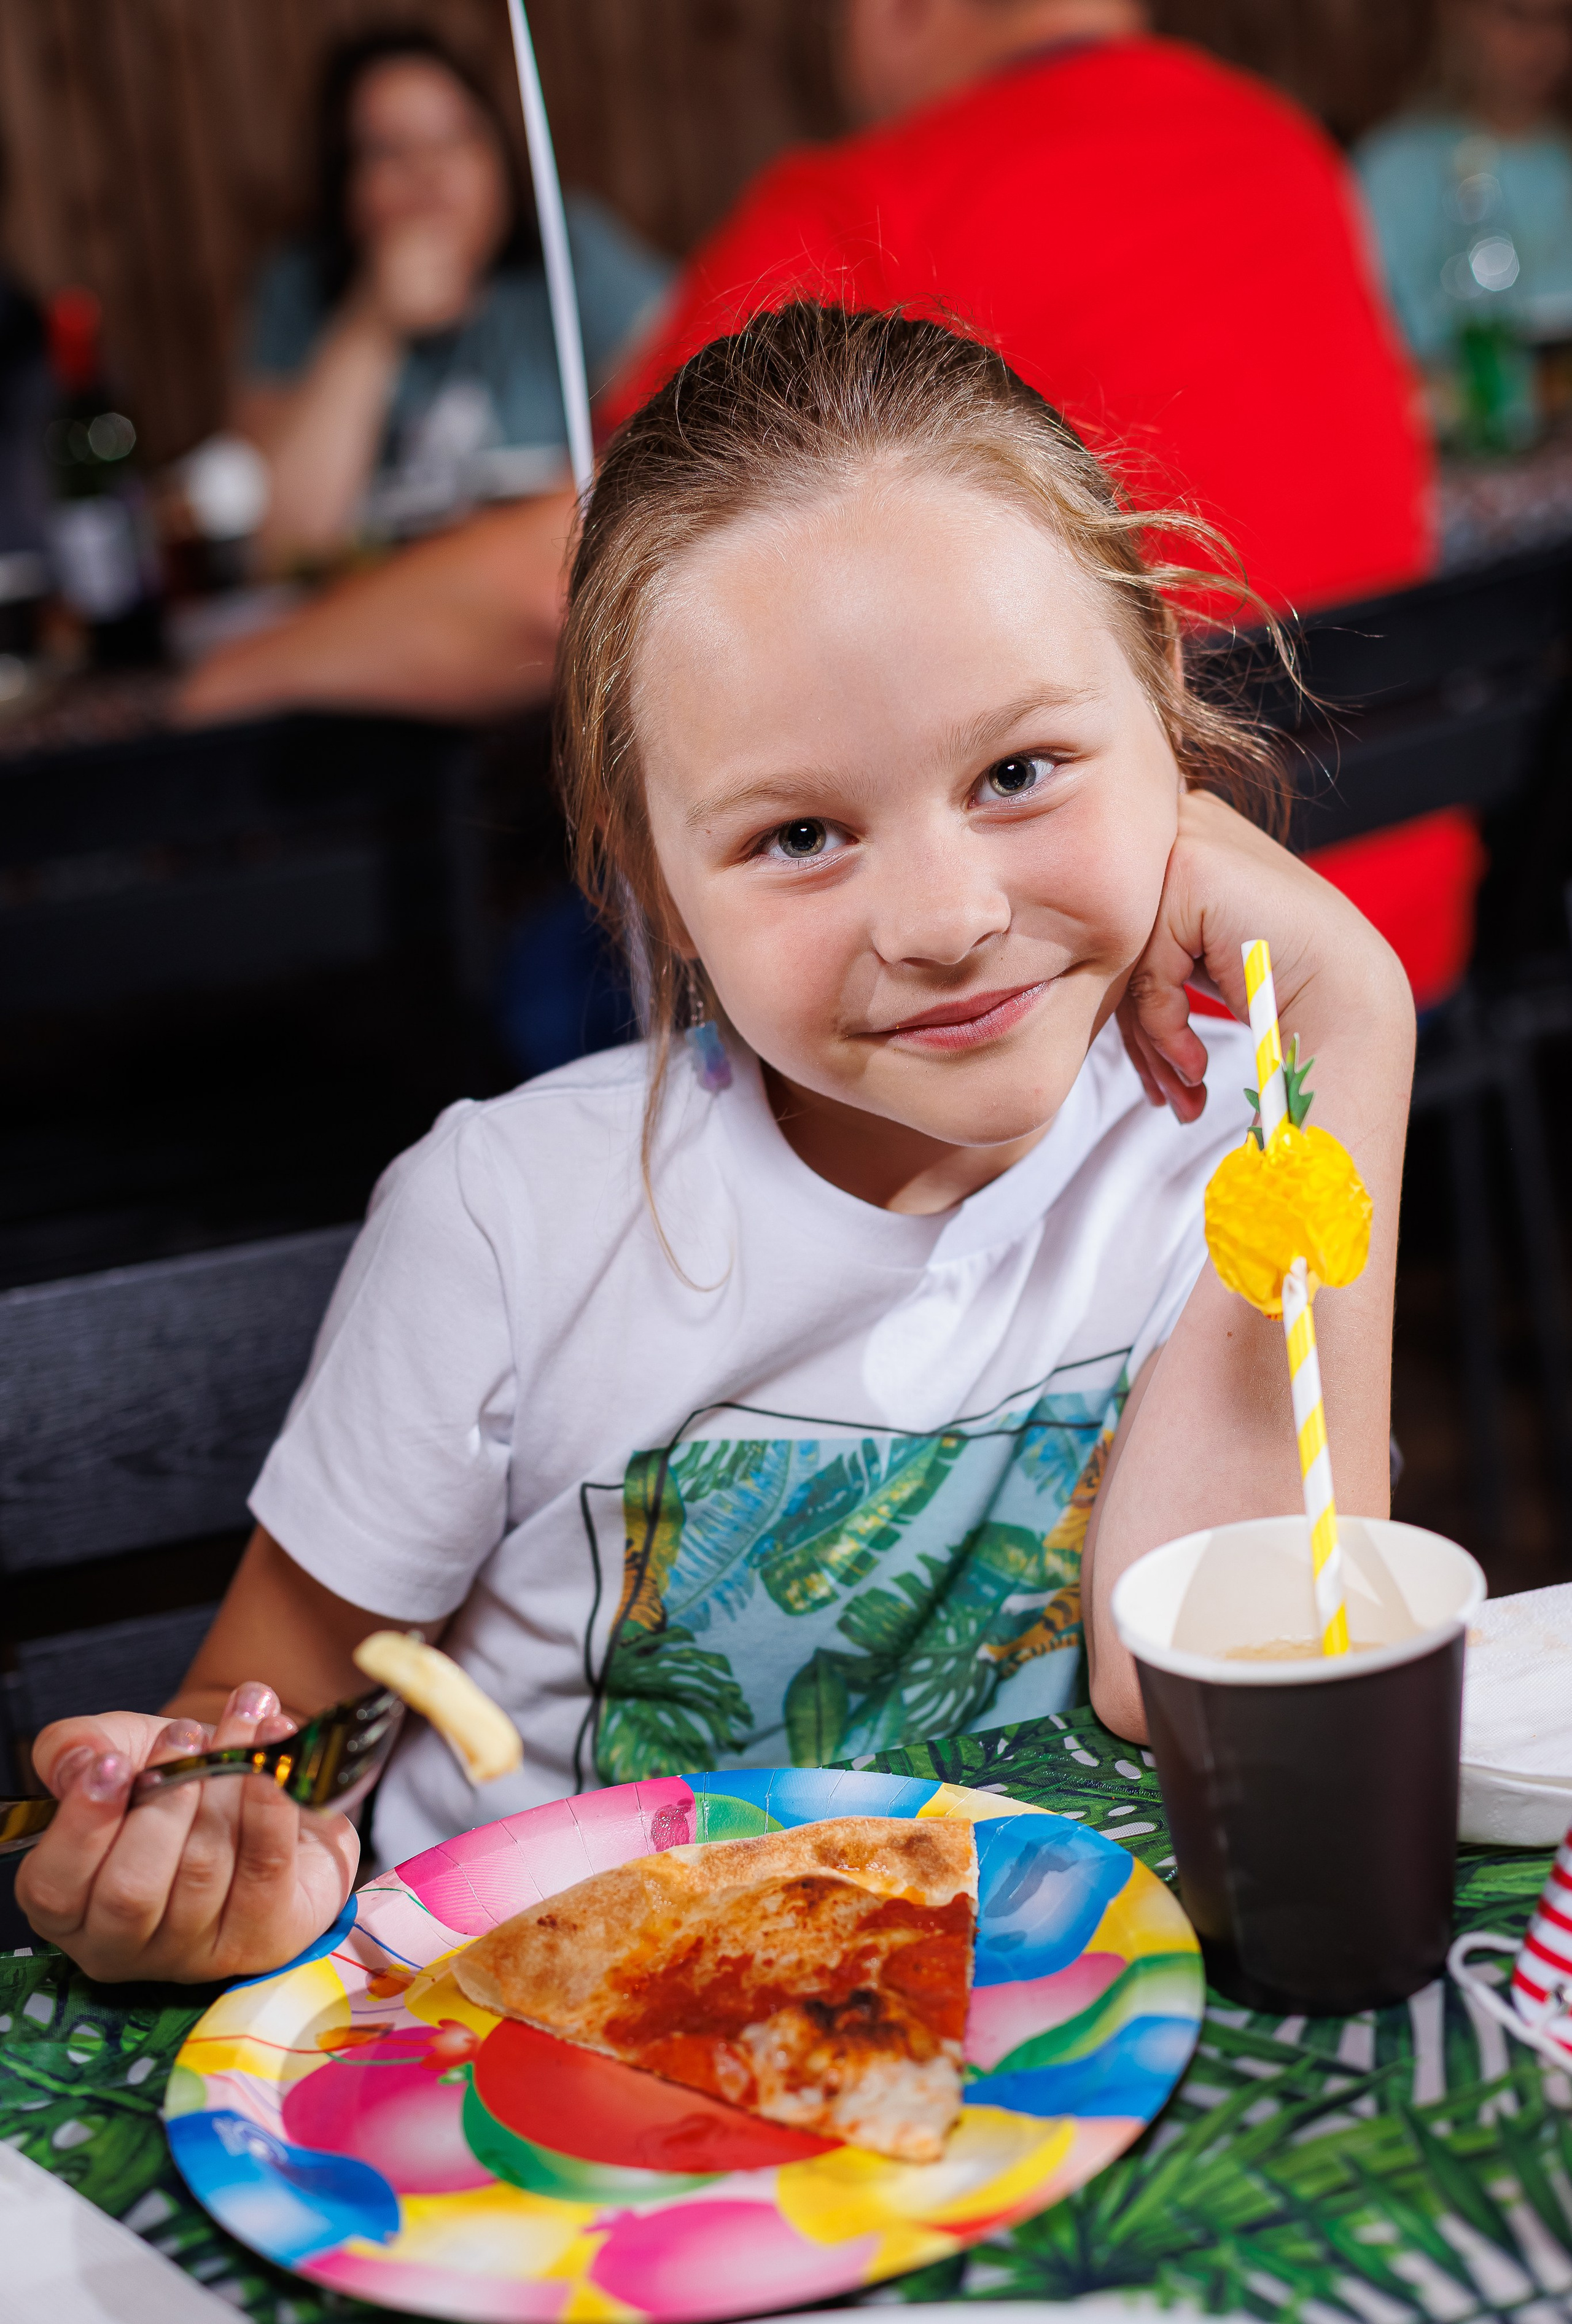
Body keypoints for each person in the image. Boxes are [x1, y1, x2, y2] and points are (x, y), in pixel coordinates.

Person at [18, 305, 1415, 1983]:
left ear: (1164, 710)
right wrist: (212, 1860)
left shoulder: (1238, 1137)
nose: (945, 920)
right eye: (800, 832)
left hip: (1030, 2042)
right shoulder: (507, 1223)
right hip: (547, 2056)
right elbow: (268, 1739)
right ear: (650, 872)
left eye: (1020, 770)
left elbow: (1204, 1680)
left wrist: (1352, 1016)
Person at [181, 0, 1474, 1017]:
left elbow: (568, 588)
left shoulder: (878, 206)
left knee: (549, 981)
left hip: (1113, 1000)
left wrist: (232, 681)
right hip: (1378, 939)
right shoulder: (1281, 145)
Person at [235, 27, 670, 563]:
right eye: (389, 151)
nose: (430, 176)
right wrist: (373, 323)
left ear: (501, 160)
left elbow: (696, 385)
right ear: (344, 186)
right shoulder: (300, 287)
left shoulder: (565, 249)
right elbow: (282, 538)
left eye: (456, 139)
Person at [1356, 0, 1572, 371]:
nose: (1541, 41)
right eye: (1516, 15)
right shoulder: (1396, 171)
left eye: (1561, 19)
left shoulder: (1560, 162)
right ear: (1458, 14)